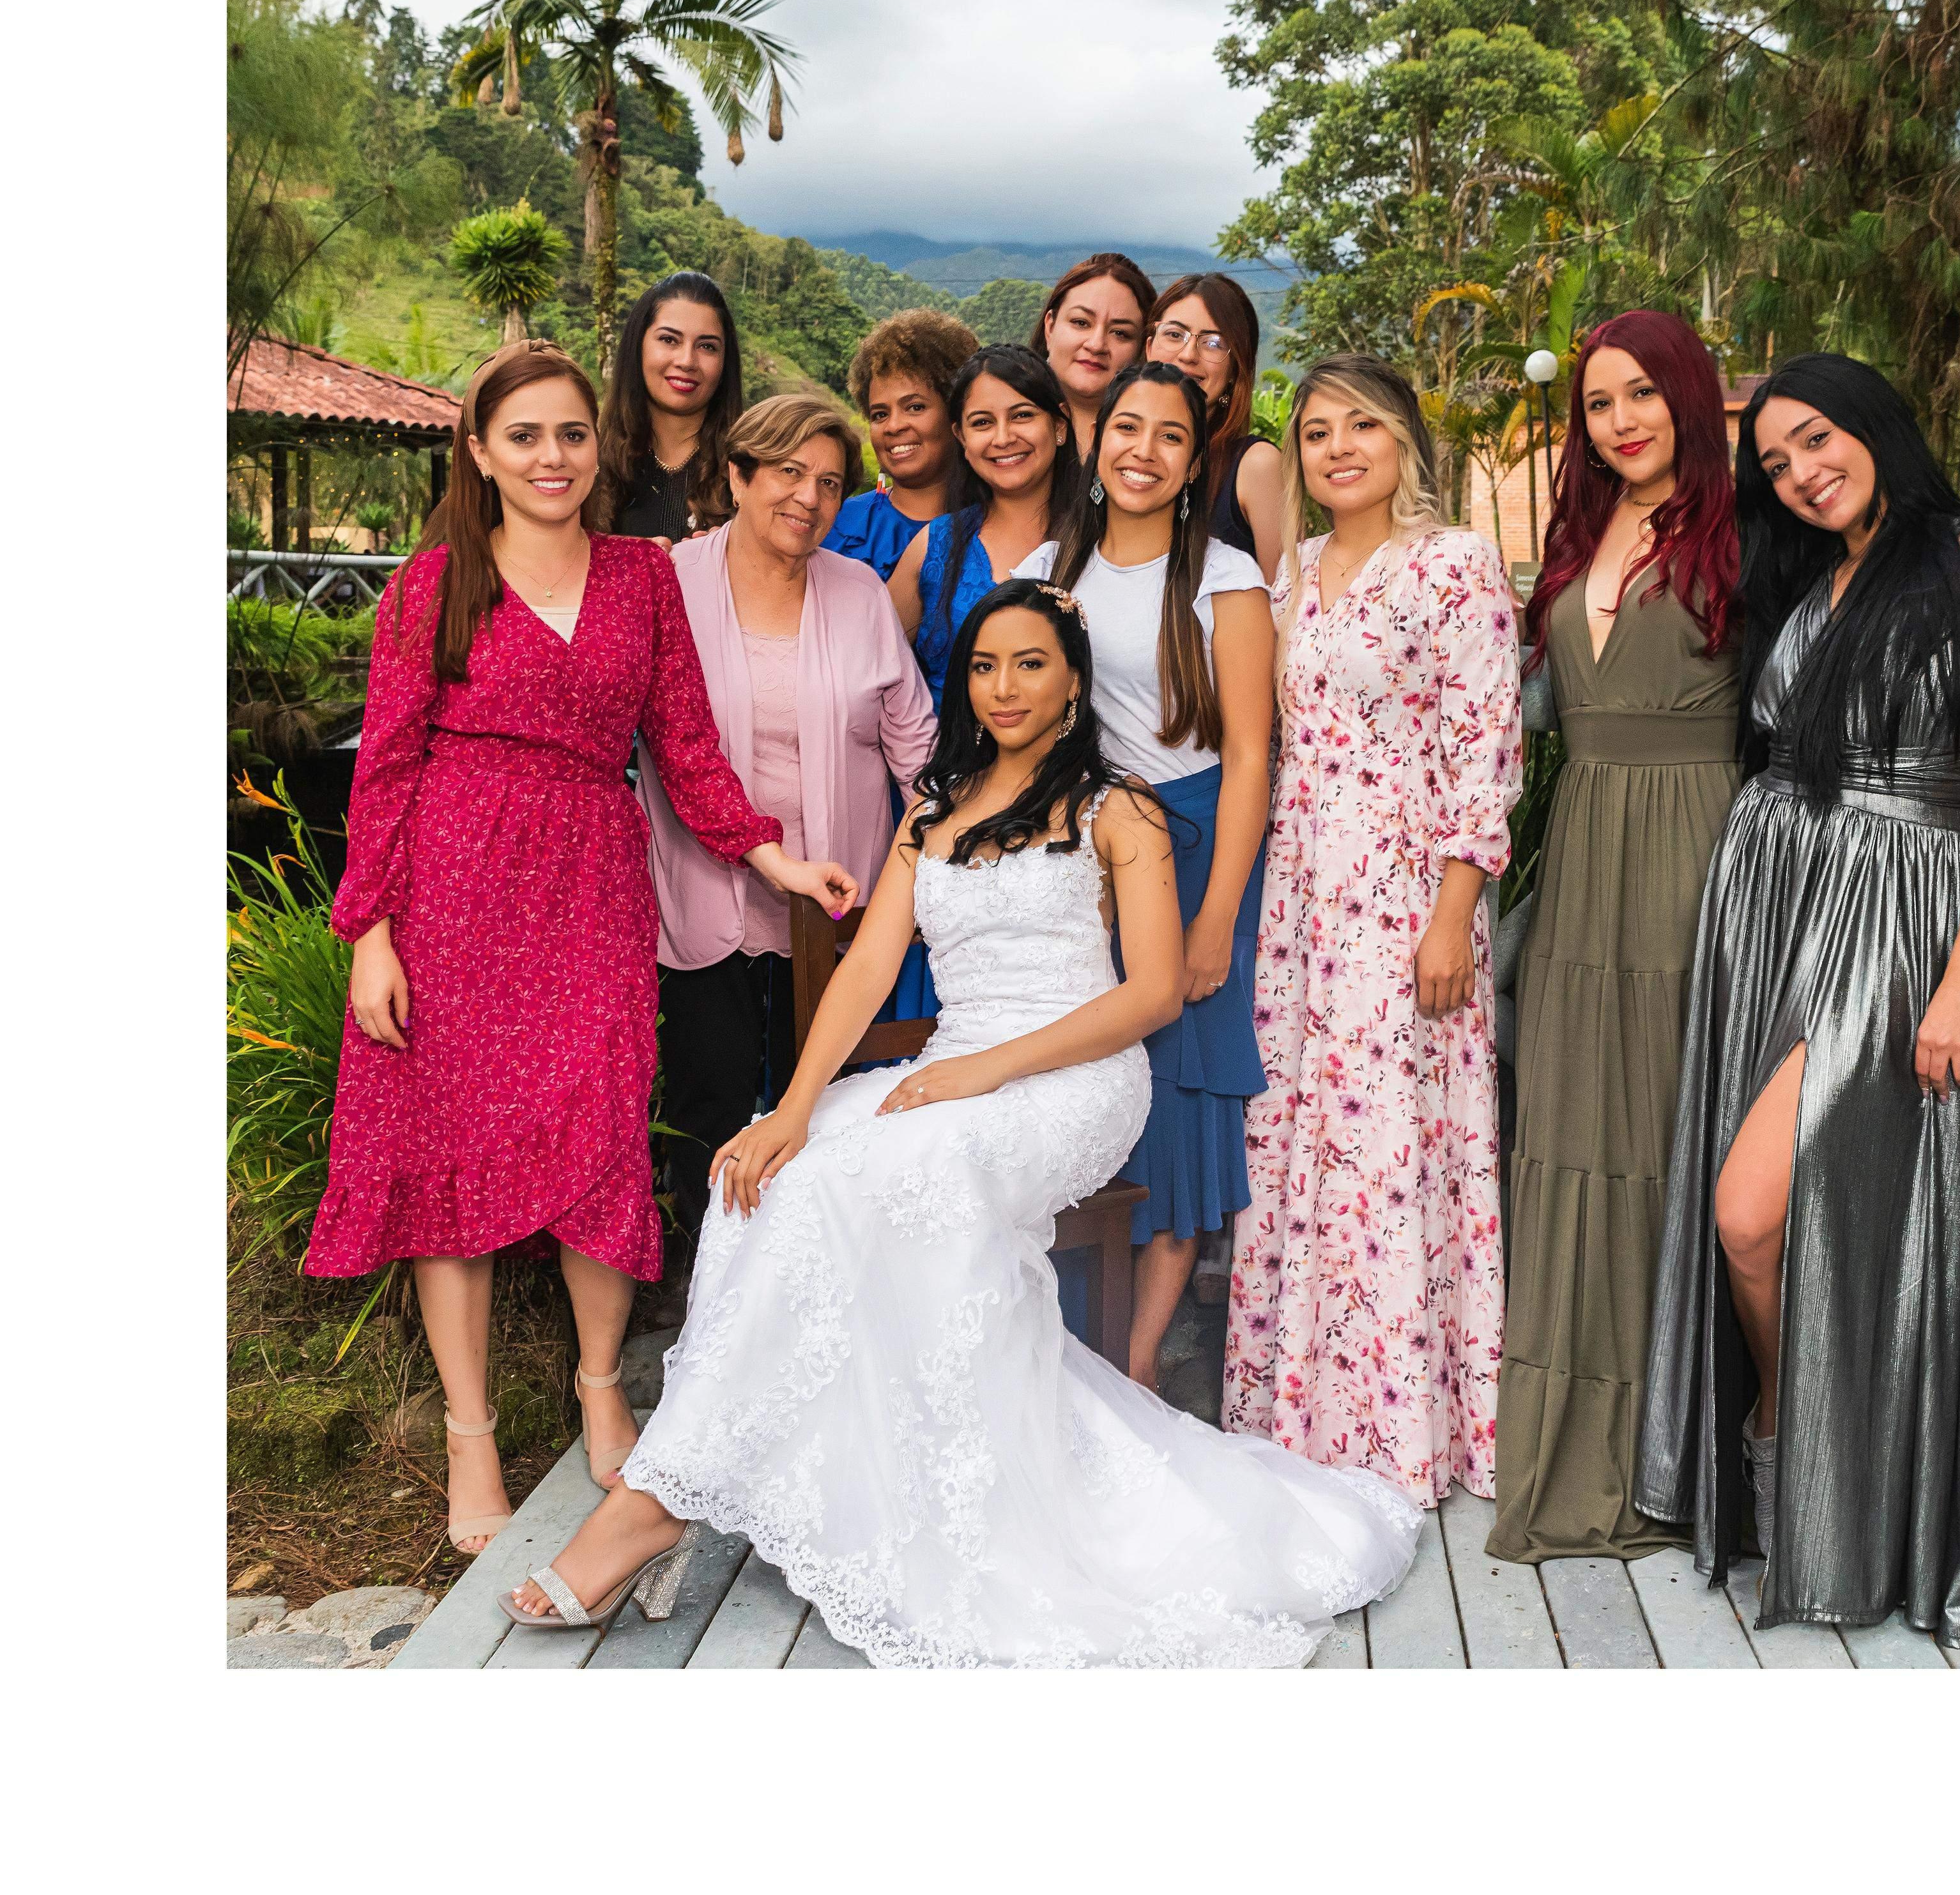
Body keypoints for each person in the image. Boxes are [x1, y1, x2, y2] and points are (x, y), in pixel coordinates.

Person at [501, 581, 1423, 1661]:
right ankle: (686, 1483)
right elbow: (866, 971)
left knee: (899, 1177)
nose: (1004, 686)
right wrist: (791, 1108)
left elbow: (1150, 993)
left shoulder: (1117, 807)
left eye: (1030, 662)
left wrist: (984, 1070)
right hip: (950, 1069)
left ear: (1072, 680)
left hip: (1072, 1075)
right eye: (985, 665)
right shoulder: (933, 809)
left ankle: (654, 1504)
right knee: (775, 1177)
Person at [305, 344, 857, 1558]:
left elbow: (686, 745)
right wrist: (371, 934)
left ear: (594, 445)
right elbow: (384, 766)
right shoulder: (435, 583)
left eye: (569, 433)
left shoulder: (640, 575)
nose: (551, 456)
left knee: (599, 1128)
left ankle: (600, 1383)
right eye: (523, 436)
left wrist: (772, 859)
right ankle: (469, 1434)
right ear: (479, 452)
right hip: (451, 886)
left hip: (591, 882)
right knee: (447, 1150)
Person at [1634, 352, 1960, 1648]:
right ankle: (1806, 1455)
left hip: (1899, 909)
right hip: (1772, 894)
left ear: (1873, 422)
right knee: (1777, 1214)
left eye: (1816, 439)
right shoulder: (1809, 578)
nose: (1801, 474)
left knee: (1750, 1210)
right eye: (1775, 463)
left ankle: (1793, 1432)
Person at [1222, 356, 1522, 1508]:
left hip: (1405, 896)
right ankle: (1302, 1414)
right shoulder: (1291, 572)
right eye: (1315, 431)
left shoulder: (1452, 564)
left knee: (1395, 1150)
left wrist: (1452, 914)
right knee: (1302, 1141)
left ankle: (1405, 1429)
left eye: (1362, 425)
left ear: (1403, 440)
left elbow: (1485, 746)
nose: (1337, 447)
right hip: (1302, 899)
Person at [1483, 310, 1742, 1566]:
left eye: (1641, 392)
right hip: (1583, 852)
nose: (1620, 419)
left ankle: (1682, 1452)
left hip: (1700, 854)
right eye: (1597, 401)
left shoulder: (1750, 534)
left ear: (1686, 394)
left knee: (1668, 1140)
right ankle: (1579, 1441)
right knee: (1577, 1132)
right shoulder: (1579, 535)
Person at [1016, 363, 1273, 1390]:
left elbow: (1250, 755)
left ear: (1195, 460)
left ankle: (1133, 1366)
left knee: (1176, 1101)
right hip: (1079, 852)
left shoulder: (1223, 577)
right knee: (1078, 1082)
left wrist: (1215, 920)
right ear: (1097, 440)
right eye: (1127, 426)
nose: (1144, 450)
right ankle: (1062, 1346)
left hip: (1199, 843)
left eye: (1171, 435)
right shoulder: (1046, 568)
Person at [641, 394, 936, 1235]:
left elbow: (915, 745)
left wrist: (935, 857)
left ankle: (808, 1276)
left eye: (830, 482)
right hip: (704, 891)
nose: (809, 497)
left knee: (827, 1109)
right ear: (738, 475)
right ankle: (709, 1278)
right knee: (709, 1104)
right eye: (788, 472)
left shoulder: (860, 592)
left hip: (836, 901)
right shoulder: (671, 582)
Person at [889, 344, 1078, 710]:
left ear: (1059, 426)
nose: (1003, 438)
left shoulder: (1103, 542)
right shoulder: (936, 546)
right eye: (982, 423)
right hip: (940, 746)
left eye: (1022, 415)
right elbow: (870, 669)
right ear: (961, 438)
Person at [1145, 271, 1284, 582]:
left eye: (1213, 343)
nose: (1188, 355)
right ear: (1149, 348)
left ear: (1236, 369)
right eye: (1175, 334)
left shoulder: (1256, 466)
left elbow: (1285, 599)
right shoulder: (1122, 453)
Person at [592, 271, 745, 543]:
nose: (687, 361)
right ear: (638, 346)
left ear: (725, 362)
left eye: (707, 347)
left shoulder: (750, 468)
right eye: (669, 340)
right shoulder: (589, 462)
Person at [826, 307, 976, 579]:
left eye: (915, 407)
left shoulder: (996, 527)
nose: (894, 426)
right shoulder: (834, 525)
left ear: (956, 413)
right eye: (880, 415)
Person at [1029, 251, 1154, 460]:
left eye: (1120, 333)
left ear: (1143, 348)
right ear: (1050, 327)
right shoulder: (1002, 430)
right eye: (1081, 323)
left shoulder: (1151, 451)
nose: (1096, 345)